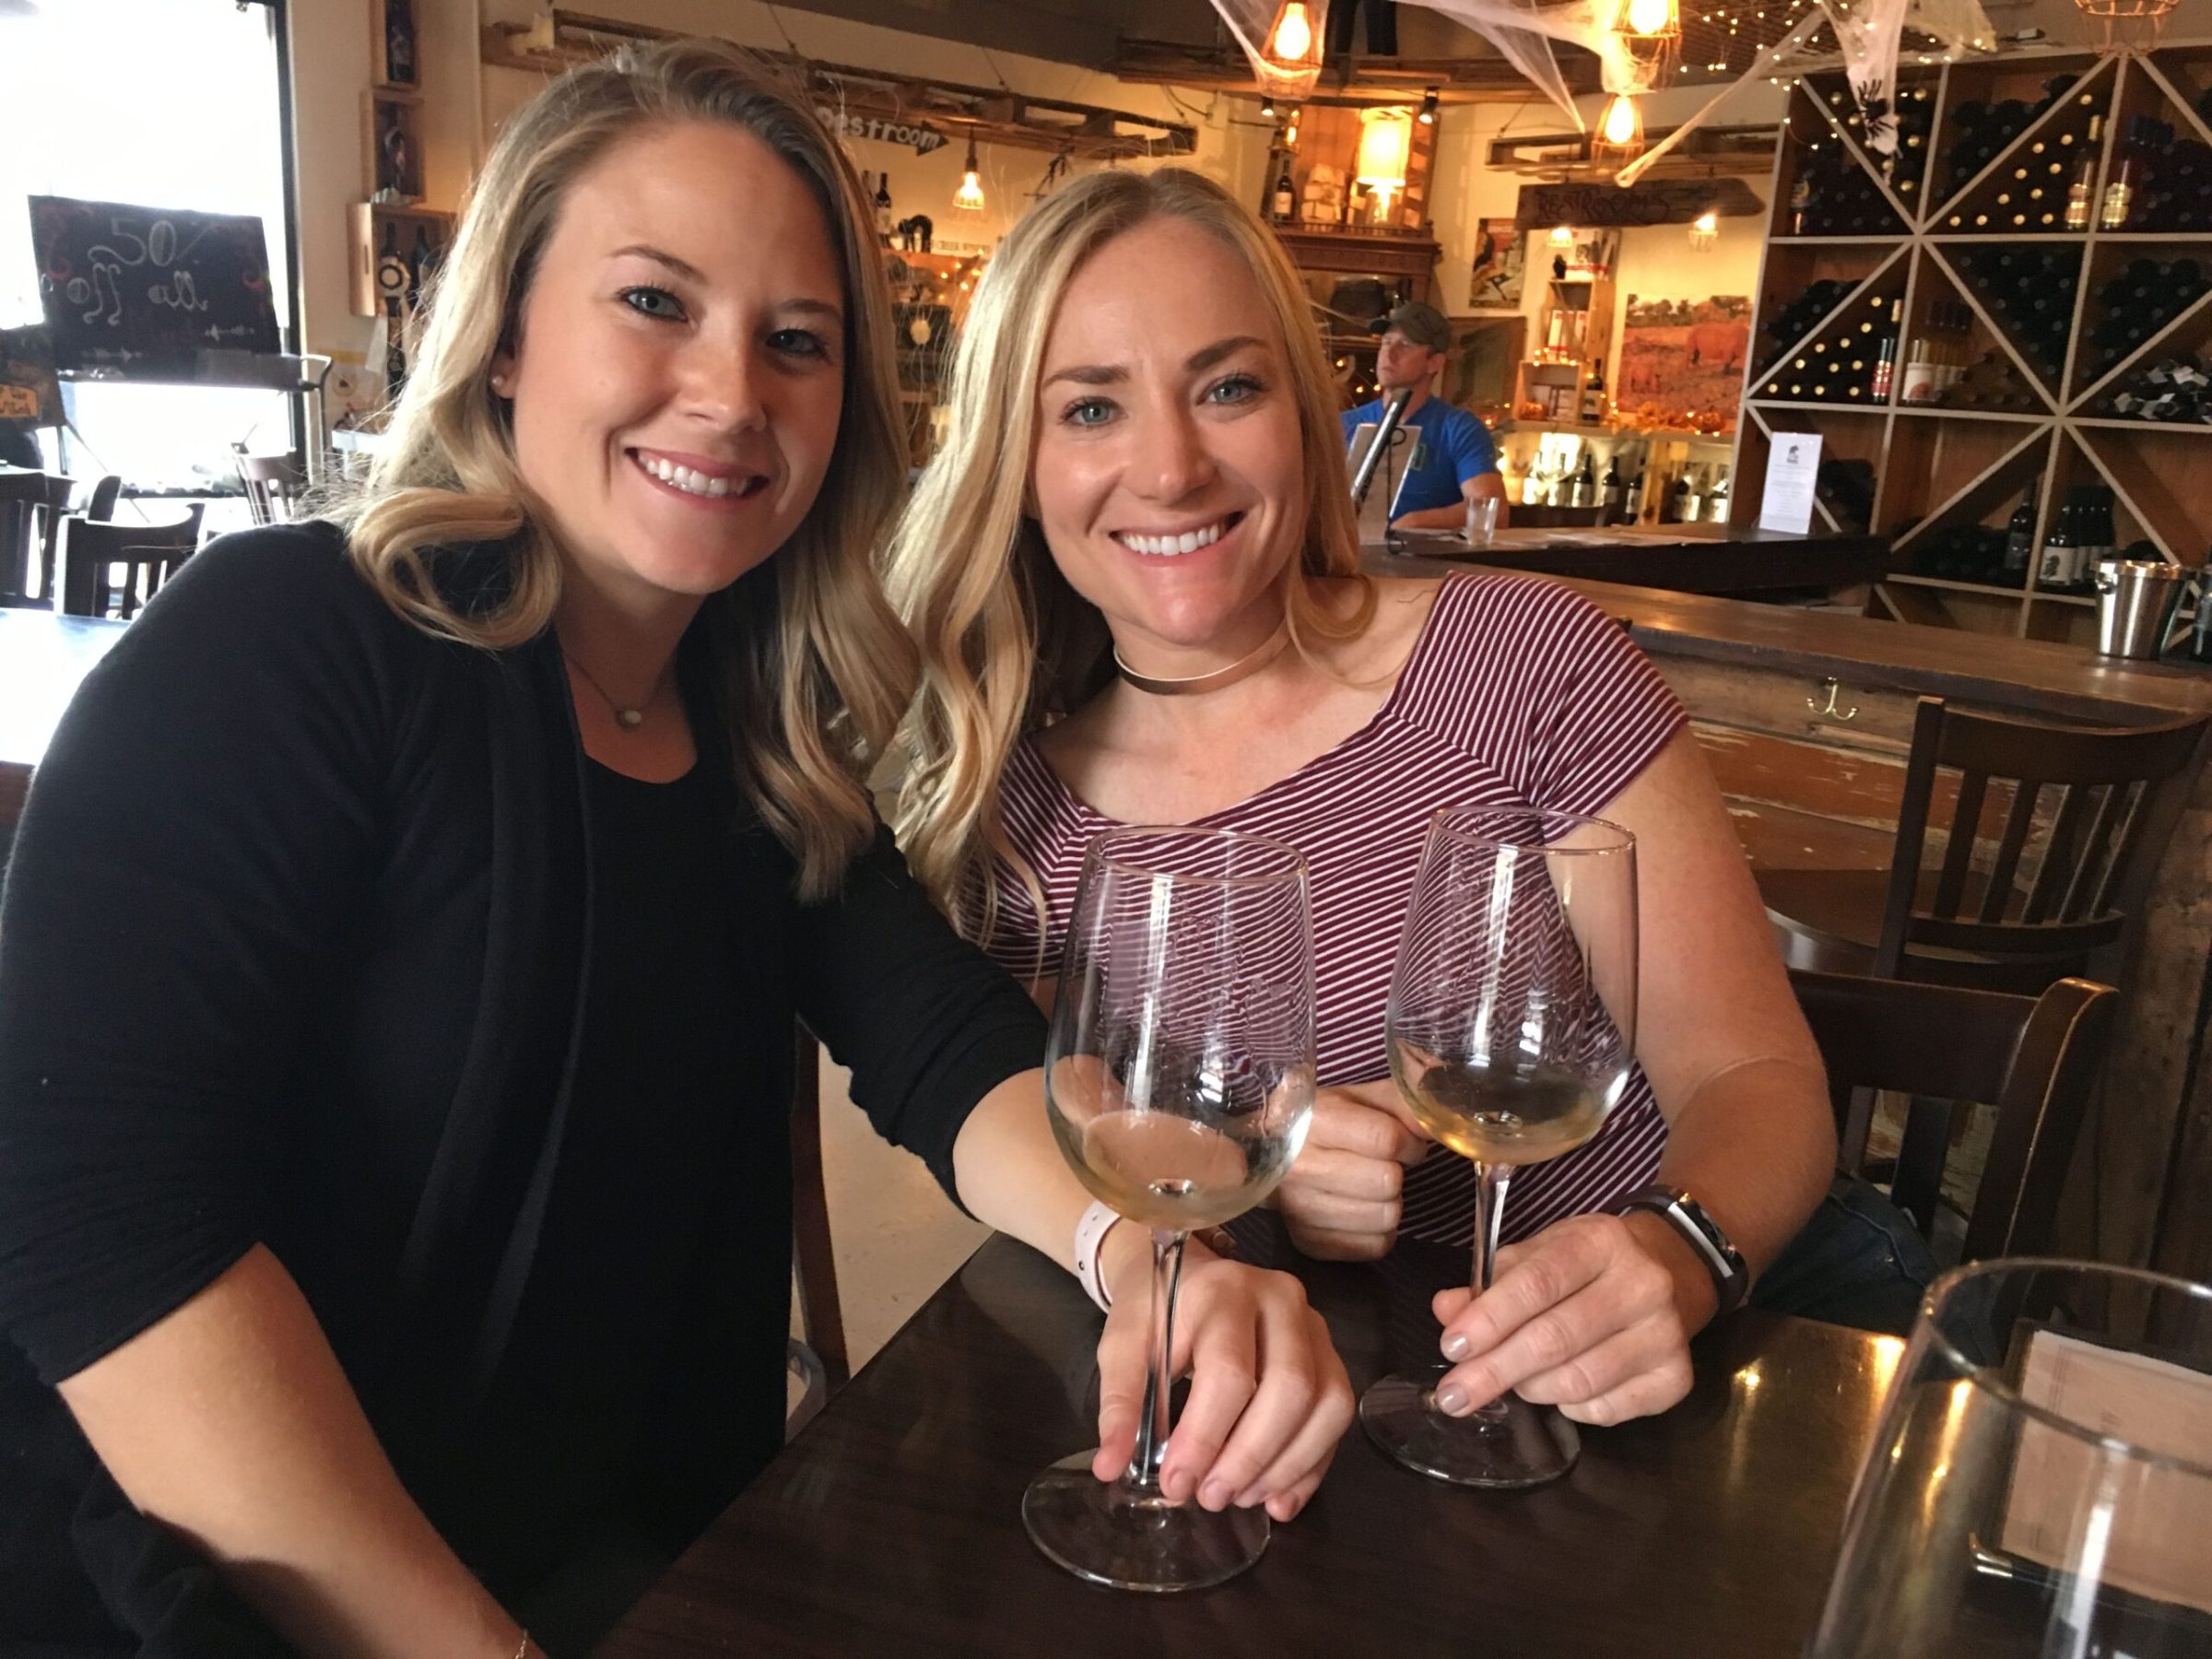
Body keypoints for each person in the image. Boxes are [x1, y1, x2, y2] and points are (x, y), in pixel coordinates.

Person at [0, 48, 1349, 1659]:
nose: (731, 394)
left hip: (590, 1560)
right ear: (504, 334)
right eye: (655, 303)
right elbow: (95, 1225)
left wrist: (1141, 1246)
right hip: (178, 1604)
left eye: (797, 342)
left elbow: (944, 1047)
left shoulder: (755, 732)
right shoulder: (293, 643)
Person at [888, 166, 1929, 1441]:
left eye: (1227, 387)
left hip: (1734, 1334)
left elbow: (1750, 1069)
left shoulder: (1524, 656)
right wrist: (1255, 1172)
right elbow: (1080, 1134)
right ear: (1014, 460)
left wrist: (1677, 1254)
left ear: (1310, 414)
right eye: (1091, 408)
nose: (1168, 467)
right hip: (1361, 1404)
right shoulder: (1021, 819)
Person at [1338, 300, 1505, 531]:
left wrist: (1416, 522)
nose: (1389, 353)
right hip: (1345, 556)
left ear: (1434, 363)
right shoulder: (1344, 424)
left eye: (1406, 344)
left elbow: (1492, 511)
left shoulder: (1459, 429)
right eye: (1386, 342)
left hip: (1421, 561)